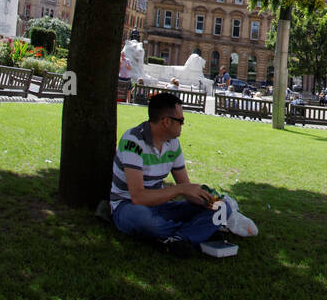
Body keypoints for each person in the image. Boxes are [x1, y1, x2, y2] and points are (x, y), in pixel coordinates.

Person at [109, 91, 255, 257]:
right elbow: (138, 197)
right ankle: (194, 234)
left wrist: (207, 200)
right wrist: (181, 190)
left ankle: (178, 239)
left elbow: (185, 186)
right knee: (145, 220)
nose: (183, 124)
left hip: (160, 206)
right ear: (166, 122)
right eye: (181, 121)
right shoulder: (133, 141)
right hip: (128, 207)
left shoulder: (172, 144)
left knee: (223, 208)